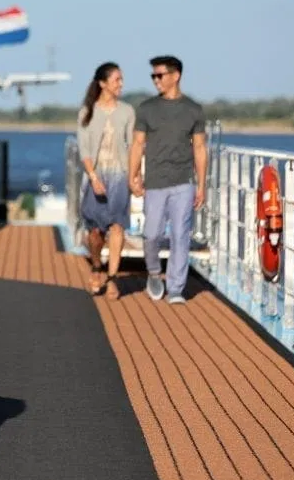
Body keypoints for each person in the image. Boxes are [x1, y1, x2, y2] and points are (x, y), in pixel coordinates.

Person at [128, 56, 207, 304]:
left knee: (180, 235)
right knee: (151, 234)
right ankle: (153, 272)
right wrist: (133, 175)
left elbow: (200, 148)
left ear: (176, 76)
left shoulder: (193, 110)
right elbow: (138, 144)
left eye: (159, 75)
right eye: (153, 76)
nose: (156, 80)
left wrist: (202, 184)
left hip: (183, 181)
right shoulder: (147, 108)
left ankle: (175, 289)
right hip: (155, 182)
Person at [76, 62, 135, 300]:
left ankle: (112, 279)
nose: (120, 84)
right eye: (116, 80)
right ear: (103, 83)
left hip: (119, 175)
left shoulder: (127, 111)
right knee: (95, 231)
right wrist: (93, 177)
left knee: (117, 226)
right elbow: (84, 150)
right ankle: (96, 266)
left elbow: (133, 146)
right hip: (96, 175)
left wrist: (135, 176)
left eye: (121, 80)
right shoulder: (87, 112)